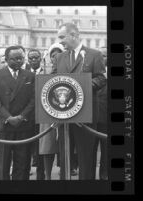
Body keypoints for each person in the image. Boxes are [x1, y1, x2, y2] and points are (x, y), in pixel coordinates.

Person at [52, 23, 106, 180]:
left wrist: (83, 86)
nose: (60, 41)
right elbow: (52, 81)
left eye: (62, 37)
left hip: (86, 115)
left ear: (74, 35)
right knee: (65, 158)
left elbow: (101, 78)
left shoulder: (94, 54)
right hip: (63, 116)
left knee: (86, 158)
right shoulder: (58, 57)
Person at [0, 45, 35, 180]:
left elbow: (33, 100)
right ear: (7, 59)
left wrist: (21, 117)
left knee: (23, 162)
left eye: (21, 58)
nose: (19, 61)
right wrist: (9, 118)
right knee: (4, 162)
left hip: (24, 125)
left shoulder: (30, 76)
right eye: (15, 59)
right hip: (5, 125)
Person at [39, 43, 64, 180]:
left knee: (65, 146)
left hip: (66, 112)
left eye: (59, 54)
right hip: (47, 113)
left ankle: (64, 173)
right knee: (47, 146)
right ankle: (48, 176)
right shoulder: (44, 71)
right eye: (53, 55)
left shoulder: (70, 69)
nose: (56, 58)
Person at [26, 48, 45, 180]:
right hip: (27, 116)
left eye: (36, 57)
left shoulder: (47, 73)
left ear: (40, 58)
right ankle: (25, 173)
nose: (33, 60)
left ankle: (41, 175)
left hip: (43, 116)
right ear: (28, 60)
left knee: (41, 146)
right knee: (26, 146)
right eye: (31, 58)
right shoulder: (24, 73)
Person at [94, 46, 108, 180]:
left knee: (106, 152)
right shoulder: (91, 74)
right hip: (91, 120)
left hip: (106, 121)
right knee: (89, 152)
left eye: (104, 56)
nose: (101, 59)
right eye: (100, 56)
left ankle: (104, 176)